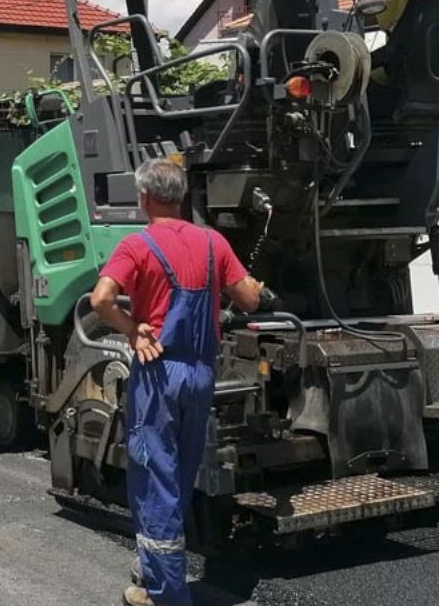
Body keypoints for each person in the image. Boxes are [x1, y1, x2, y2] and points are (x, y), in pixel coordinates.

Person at [90, 159, 261, 606]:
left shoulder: (136, 245)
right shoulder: (212, 242)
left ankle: (168, 596)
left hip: (158, 373)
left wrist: (132, 329)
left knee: (153, 480)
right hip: (201, 373)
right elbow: (249, 298)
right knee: (180, 476)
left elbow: (101, 299)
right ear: (182, 197)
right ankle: (151, 573)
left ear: (144, 197)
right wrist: (253, 285)